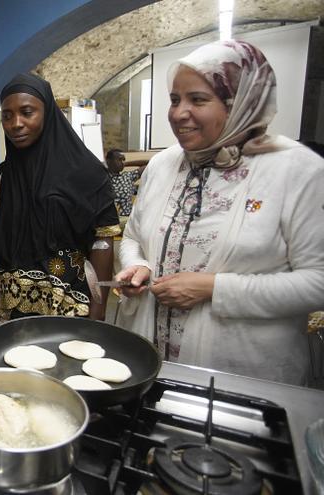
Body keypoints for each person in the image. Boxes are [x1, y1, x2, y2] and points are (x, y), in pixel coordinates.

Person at [114, 40, 324, 385]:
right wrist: (139, 265)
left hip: (243, 372)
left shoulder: (297, 171)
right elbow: (134, 236)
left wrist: (214, 288)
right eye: (174, 99)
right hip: (150, 361)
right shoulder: (163, 165)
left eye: (198, 100)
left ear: (240, 102)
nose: (179, 113)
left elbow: (318, 281)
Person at [0, 74, 120, 325]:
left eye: (27, 112)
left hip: (67, 310)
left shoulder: (86, 174)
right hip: (6, 314)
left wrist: (98, 313)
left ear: (48, 113)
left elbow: (103, 243)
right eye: (7, 116)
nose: (15, 124)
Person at [105, 148, 145, 216]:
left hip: (128, 219)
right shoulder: (102, 178)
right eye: (119, 159)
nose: (122, 162)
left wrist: (126, 164)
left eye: (124, 160)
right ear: (108, 161)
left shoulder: (128, 176)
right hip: (110, 221)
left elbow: (149, 164)